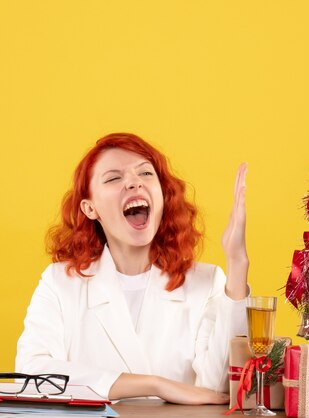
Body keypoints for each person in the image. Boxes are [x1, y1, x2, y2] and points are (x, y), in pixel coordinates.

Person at [15, 132, 249, 404]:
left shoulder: (207, 282)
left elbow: (218, 388)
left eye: (146, 174)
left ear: (162, 196)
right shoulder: (60, 282)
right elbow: (31, 375)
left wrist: (237, 263)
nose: (134, 184)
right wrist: (156, 385)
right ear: (90, 208)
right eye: (114, 178)